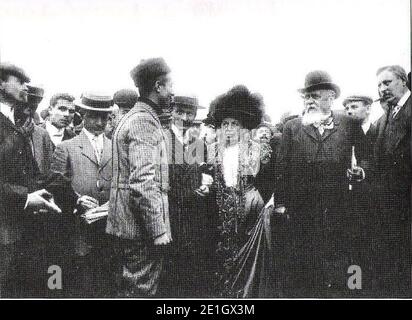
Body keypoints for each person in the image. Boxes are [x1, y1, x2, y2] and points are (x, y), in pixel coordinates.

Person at [276, 70, 366, 297]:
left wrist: (361, 170)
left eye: (315, 96)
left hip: (338, 207)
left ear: (331, 97)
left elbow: (367, 154)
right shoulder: (292, 127)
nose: (309, 101)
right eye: (306, 97)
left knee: (338, 259)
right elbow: (282, 169)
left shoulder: (348, 123)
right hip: (301, 210)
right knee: (304, 264)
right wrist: (281, 203)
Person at [106, 58, 173, 297]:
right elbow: (142, 182)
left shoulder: (133, 116)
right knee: (141, 290)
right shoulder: (144, 121)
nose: (172, 91)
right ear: (158, 86)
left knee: (129, 287)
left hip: (128, 225)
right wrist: (158, 230)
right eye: (170, 85)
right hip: (140, 230)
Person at [0, 63, 61, 297]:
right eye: (20, 81)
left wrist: (67, 195)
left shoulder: (19, 123)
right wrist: (25, 198)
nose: (26, 87)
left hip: (22, 232)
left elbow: (34, 174)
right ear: (1, 83)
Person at [205, 85, 269, 298]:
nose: (229, 129)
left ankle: (245, 293)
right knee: (223, 250)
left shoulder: (256, 148)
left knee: (248, 250)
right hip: (222, 206)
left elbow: (267, 179)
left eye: (234, 124)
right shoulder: (213, 150)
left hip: (250, 206)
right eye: (225, 124)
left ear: (243, 127)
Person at [49, 92, 114, 297]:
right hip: (78, 228)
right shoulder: (66, 147)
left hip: (109, 229)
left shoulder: (116, 147)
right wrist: (77, 199)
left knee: (105, 283)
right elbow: (56, 184)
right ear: (83, 115)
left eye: (104, 117)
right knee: (79, 283)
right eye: (94, 116)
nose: (100, 122)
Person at [158, 95, 213, 297]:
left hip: (193, 215)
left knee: (191, 266)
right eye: (180, 112)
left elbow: (204, 173)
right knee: (170, 268)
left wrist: (206, 185)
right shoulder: (161, 139)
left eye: (190, 113)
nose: (184, 117)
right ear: (171, 111)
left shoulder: (198, 144)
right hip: (171, 212)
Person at [372, 65, 411, 297]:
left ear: (403, 81)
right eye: (379, 84)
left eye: (387, 83)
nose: (382, 88)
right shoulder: (387, 114)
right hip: (389, 203)